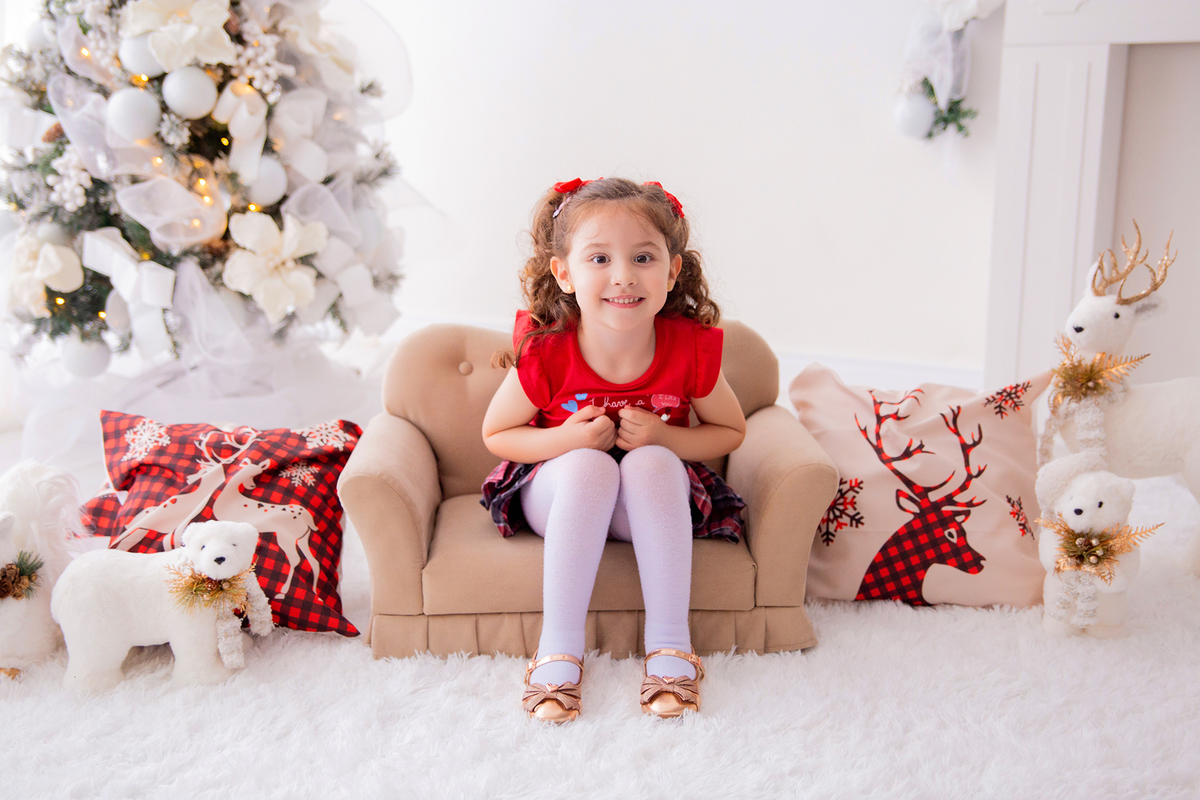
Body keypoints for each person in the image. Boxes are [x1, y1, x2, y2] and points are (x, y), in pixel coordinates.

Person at [480, 177, 747, 722]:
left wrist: (664, 436)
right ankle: (558, 650)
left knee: (651, 461)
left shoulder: (686, 347)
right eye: (599, 258)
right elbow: (498, 434)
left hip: (646, 505)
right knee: (587, 467)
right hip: (559, 495)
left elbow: (730, 431)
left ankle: (670, 646)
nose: (623, 275)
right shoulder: (549, 348)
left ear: (672, 271)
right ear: (565, 272)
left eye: (643, 257)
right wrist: (568, 439)